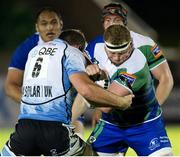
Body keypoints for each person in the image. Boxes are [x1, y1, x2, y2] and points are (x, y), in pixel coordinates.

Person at [0, 34, 134, 156]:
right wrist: (121, 102)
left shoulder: (35, 51)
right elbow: (86, 90)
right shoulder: (71, 52)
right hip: (55, 131)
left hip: (25, 128)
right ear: (79, 47)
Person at [87, 25, 174, 156]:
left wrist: (86, 80)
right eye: (112, 53)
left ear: (131, 45)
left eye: (122, 53)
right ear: (105, 46)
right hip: (111, 125)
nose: (116, 58)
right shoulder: (96, 47)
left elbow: (105, 105)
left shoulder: (136, 64)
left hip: (145, 125)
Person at [85, 2, 173, 128]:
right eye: (108, 20)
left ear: (124, 22)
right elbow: (96, 81)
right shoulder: (94, 46)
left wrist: (152, 112)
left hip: (140, 111)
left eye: (117, 20)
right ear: (103, 23)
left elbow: (166, 79)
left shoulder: (145, 44)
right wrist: (99, 109)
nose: (112, 23)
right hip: (111, 115)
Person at [5, 7, 63, 104]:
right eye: (44, 24)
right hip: (36, 109)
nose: (49, 28)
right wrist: (33, 104)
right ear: (37, 27)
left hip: (68, 109)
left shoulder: (73, 43)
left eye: (53, 22)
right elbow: (10, 86)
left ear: (61, 24)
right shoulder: (27, 48)